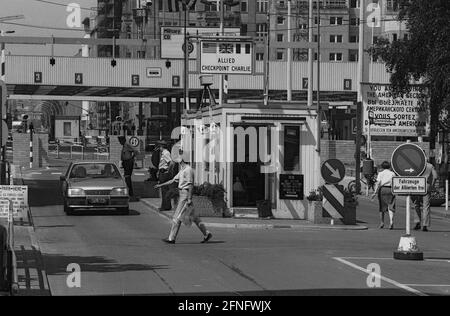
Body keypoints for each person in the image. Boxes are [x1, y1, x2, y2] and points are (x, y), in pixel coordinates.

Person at [155, 155, 212, 244]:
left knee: (177, 217)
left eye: (178, 158)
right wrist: (160, 185)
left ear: (182, 159)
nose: (176, 159)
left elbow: (190, 185)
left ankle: (171, 238)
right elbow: (173, 180)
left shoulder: (188, 170)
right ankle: (206, 233)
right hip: (182, 194)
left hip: (185, 195)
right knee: (194, 217)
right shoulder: (182, 170)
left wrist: (189, 198)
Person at [413, 156, 438, 232]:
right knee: (426, 206)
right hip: (426, 186)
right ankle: (425, 225)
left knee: (416, 204)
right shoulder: (430, 166)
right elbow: (435, 176)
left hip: (417, 186)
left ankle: (417, 222)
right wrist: (432, 185)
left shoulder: (416, 165)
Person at [371, 161, 396, 230]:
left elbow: (378, 183)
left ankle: (382, 223)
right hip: (391, 189)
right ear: (389, 166)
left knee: (382, 207)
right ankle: (391, 221)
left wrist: (374, 192)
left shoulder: (380, 173)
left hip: (382, 190)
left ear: (382, 167)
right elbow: (395, 182)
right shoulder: (392, 173)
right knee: (391, 206)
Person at [119, 136, 138, 200]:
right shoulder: (124, 146)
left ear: (123, 140)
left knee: (127, 177)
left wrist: (131, 158)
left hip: (128, 163)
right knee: (127, 177)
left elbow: (135, 151)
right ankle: (129, 192)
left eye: (120, 141)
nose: (119, 142)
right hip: (125, 163)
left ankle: (130, 192)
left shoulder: (127, 145)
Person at [157, 141, 173, 211]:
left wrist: (168, 171)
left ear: (162, 146)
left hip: (164, 173)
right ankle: (165, 205)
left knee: (164, 190)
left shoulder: (166, 153)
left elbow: (171, 163)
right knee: (164, 190)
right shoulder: (164, 153)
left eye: (160, 146)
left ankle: (165, 206)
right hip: (162, 172)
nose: (159, 148)